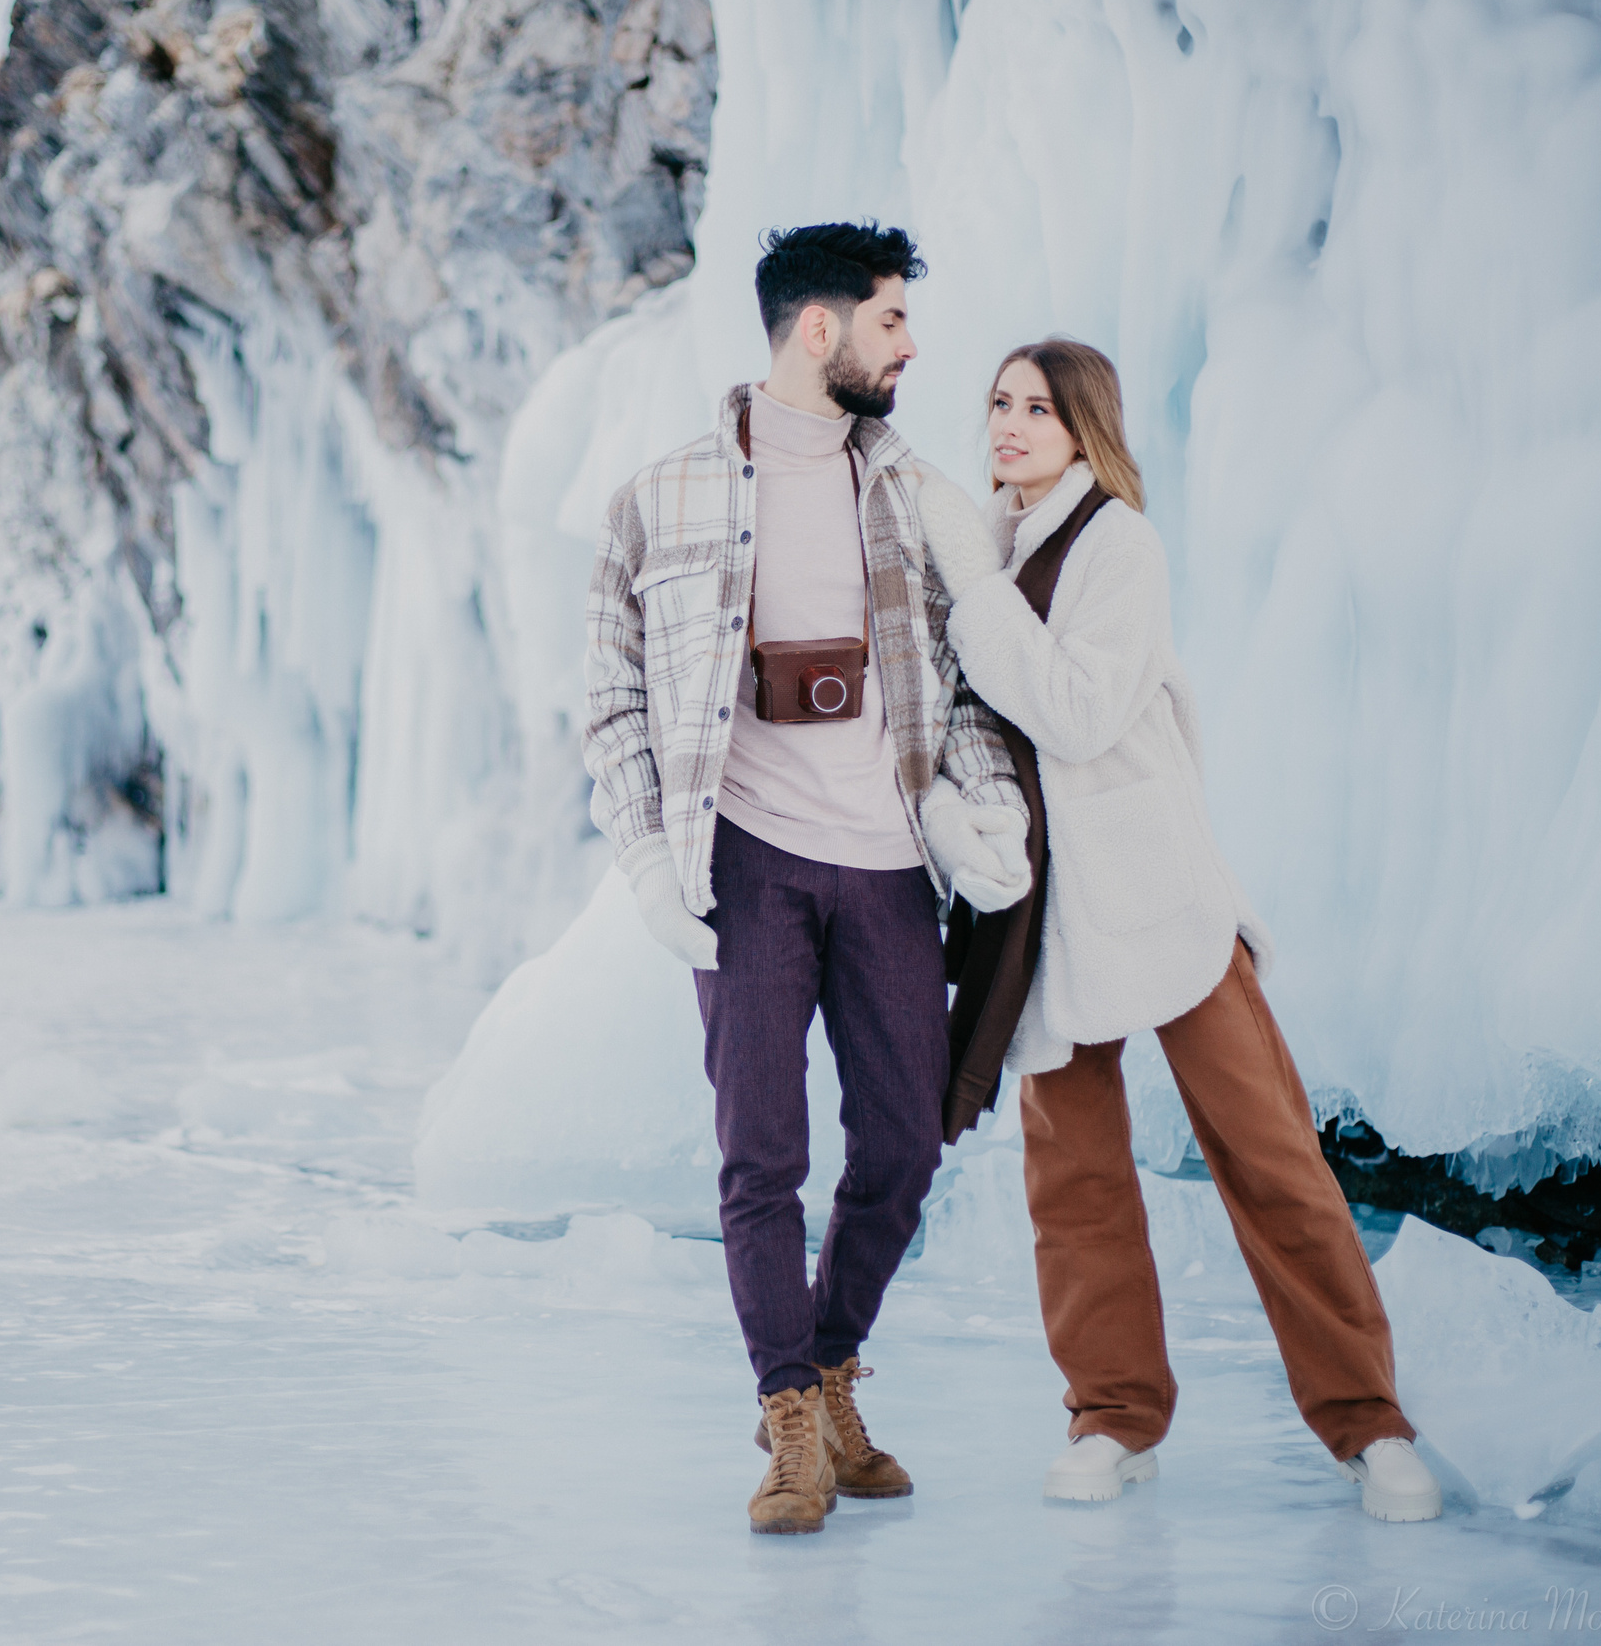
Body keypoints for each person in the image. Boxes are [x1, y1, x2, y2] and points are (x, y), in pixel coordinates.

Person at [915, 337, 1443, 1523]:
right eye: (998, 403)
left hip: (1157, 892)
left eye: (1038, 408)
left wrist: (976, 593)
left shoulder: (1116, 544)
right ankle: (1112, 1417)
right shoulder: (986, 550)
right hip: (1040, 913)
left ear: (1084, 428)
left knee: (1270, 1156)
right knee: (1075, 1182)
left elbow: (1076, 711)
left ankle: (1367, 1421)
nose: (1008, 425)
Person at [581, 222, 1032, 1535]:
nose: (911, 347)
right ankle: (789, 1418)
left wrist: (985, 811)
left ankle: (830, 1367)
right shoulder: (657, 499)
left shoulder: (913, 495)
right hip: (748, 865)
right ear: (819, 327)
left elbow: (965, 686)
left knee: (901, 1144)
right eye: (891, 319)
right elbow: (611, 700)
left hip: (890, 866)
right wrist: (649, 863)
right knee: (761, 1153)